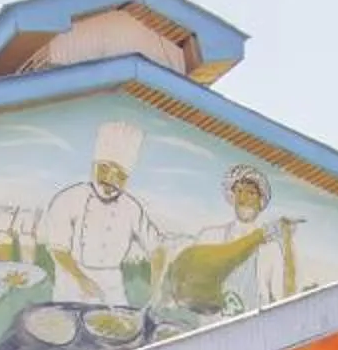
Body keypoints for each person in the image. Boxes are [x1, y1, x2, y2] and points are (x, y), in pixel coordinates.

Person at [37, 120, 164, 307]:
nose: (110, 180)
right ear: (93, 167)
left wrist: (156, 288)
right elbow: (58, 249)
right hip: (71, 285)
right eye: (104, 169)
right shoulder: (68, 199)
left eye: (119, 175)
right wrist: (81, 279)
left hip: (112, 288)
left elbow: (157, 249)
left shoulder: (131, 208)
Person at [160, 163, 299, 312]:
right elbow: (187, 280)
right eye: (238, 191)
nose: (243, 198)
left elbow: (284, 298)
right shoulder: (209, 236)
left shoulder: (270, 250)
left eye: (250, 193)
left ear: (261, 201)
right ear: (232, 197)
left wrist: (288, 242)